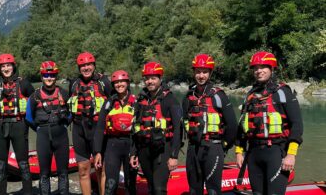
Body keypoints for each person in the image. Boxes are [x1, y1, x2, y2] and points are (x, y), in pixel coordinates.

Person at [235, 51, 303, 195]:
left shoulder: (283, 92)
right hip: (253, 154)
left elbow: (297, 125)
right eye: (256, 68)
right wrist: (239, 152)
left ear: (272, 69)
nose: (259, 71)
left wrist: (291, 155)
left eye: (263, 67)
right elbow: (242, 126)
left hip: (276, 152)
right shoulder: (250, 95)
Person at [182, 54, 238, 195]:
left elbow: (232, 125)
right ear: (194, 72)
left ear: (210, 73)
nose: (201, 75)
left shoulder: (219, 95)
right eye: (198, 72)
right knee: (194, 190)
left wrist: (224, 145)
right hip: (193, 149)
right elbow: (183, 122)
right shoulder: (188, 97)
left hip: (213, 148)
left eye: (205, 72)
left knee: (213, 191)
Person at [130, 61, 182, 195]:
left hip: (162, 150)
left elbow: (178, 129)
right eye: (147, 79)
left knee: (159, 189)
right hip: (144, 149)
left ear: (160, 78)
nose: (150, 82)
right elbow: (136, 128)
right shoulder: (141, 100)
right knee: (151, 187)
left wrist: (174, 156)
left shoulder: (170, 100)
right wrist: (134, 152)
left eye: (153, 78)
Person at [0, 53, 34, 195]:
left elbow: (34, 103)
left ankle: (27, 192)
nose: (6, 68)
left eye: (8, 65)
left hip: (19, 125)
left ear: (13, 66)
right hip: (1, 126)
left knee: (23, 164)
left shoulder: (24, 84)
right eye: (3, 66)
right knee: (1, 164)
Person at [67, 52, 112, 195]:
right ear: (79, 67)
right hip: (79, 129)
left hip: (99, 130)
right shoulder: (73, 83)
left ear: (94, 65)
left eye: (89, 65)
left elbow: (115, 102)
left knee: (101, 168)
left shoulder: (104, 82)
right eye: (83, 65)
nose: (86, 68)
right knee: (82, 170)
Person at [25, 61, 70, 195]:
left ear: (56, 76)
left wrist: (64, 125)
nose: (49, 78)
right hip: (43, 136)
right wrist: (40, 129)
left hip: (61, 135)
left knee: (63, 172)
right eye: (46, 75)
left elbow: (71, 113)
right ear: (41, 76)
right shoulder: (34, 97)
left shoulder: (64, 93)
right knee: (44, 173)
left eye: (52, 75)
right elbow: (28, 118)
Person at [93, 70, 137, 195]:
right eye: (116, 82)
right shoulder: (109, 103)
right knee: (110, 184)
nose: (119, 85)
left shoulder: (137, 102)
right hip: (112, 145)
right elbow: (100, 128)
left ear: (127, 83)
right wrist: (98, 152)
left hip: (131, 145)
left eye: (122, 81)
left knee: (130, 184)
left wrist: (137, 152)